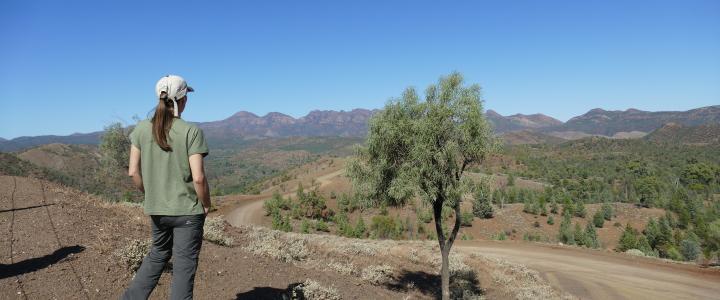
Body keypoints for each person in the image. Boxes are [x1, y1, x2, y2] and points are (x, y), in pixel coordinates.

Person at [122, 75, 211, 300]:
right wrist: (207, 204)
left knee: (157, 255)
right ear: (182, 99)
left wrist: (150, 194)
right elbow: (198, 178)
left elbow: (133, 171)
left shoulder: (141, 130)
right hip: (187, 212)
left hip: (157, 209)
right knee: (183, 267)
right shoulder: (191, 131)